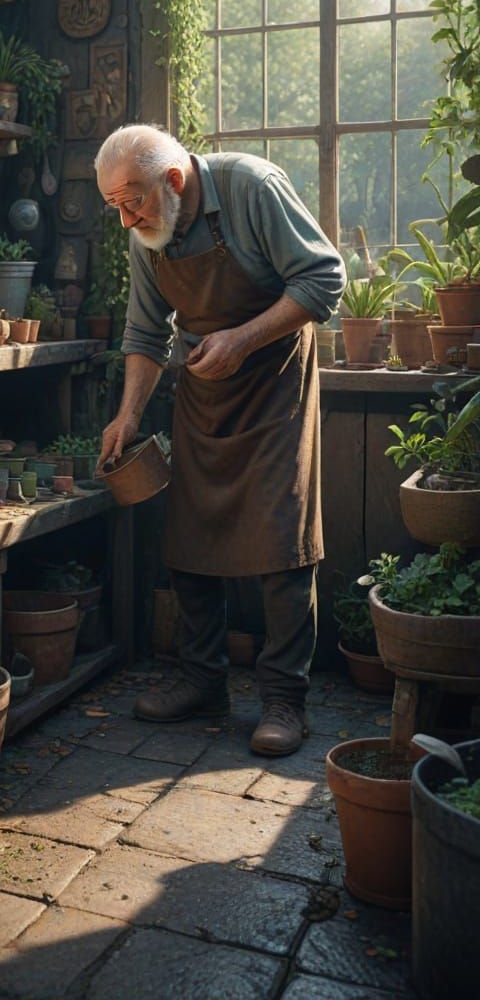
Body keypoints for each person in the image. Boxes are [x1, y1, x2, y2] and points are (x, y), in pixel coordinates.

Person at [95, 125, 346, 756]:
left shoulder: (253, 188)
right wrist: (128, 416)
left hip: (275, 382)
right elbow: (147, 332)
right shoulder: (148, 232)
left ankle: (285, 700)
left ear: (173, 181)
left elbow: (324, 280)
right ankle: (203, 679)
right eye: (115, 207)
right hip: (205, 388)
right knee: (190, 531)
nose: (127, 220)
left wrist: (241, 340)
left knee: (281, 537)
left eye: (134, 202)